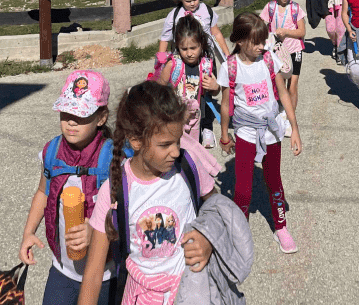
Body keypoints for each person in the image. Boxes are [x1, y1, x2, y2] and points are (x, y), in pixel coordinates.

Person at [81, 82, 216, 305]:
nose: (176, 151)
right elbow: (93, 274)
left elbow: (215, 206)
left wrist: (208, 238)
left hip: (192, 291)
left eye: (178, 141)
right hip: (143, 297)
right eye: (165, 145)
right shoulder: (115, 190)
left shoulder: (188, 166)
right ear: (136, 140)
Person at [19, 70, 114, 305]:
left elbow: (124, 211)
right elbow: (43, 192)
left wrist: (96, 231)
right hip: (63, 270)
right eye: (66, 112)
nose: (71, 121)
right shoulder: (52, 152)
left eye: (81, 114)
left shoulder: (113, 158)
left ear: (101, 118)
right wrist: (29, 232)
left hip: (104, 273)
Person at [218, 12, 302, 254]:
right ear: (240, 41)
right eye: (256, 42)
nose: (261, 46)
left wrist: (294, 128)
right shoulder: (230, 67)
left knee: (274, 180)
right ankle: (239, 233)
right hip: (246, 132)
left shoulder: (268, 59)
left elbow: (282, 93)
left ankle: (281, 227)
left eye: (263, 41)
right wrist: (225, 135)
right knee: (243, 188)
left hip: (271, 131)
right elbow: (226, 104)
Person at [159, 17, 220, 145]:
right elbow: (158, 89)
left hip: (196, 120)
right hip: (175, 118)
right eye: (184, 49)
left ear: (201, 44)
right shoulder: (173, 65)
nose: (189, 53)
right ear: (177, 46)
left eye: (193, 48)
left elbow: (213, 93)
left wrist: (215, 87)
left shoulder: (206, 65)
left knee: (193, 149)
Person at [260, 0, 307, 110]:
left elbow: (302, 32)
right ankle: (281, 111)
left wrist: (286, 32)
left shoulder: (295, 8)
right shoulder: (270, 7)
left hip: (294, 50)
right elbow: (260, 27)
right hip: (277, 52)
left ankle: (291, 116)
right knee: (279, 84)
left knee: (292, 85)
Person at [158, 0, 230, 61]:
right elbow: (165, 39)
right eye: (188, 1)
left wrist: (227, 55)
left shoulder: (207, 10)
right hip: (182, 59)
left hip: (206, 58)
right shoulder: (174, 15)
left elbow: (216, 33)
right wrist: (161, 61)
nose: (192, 3)